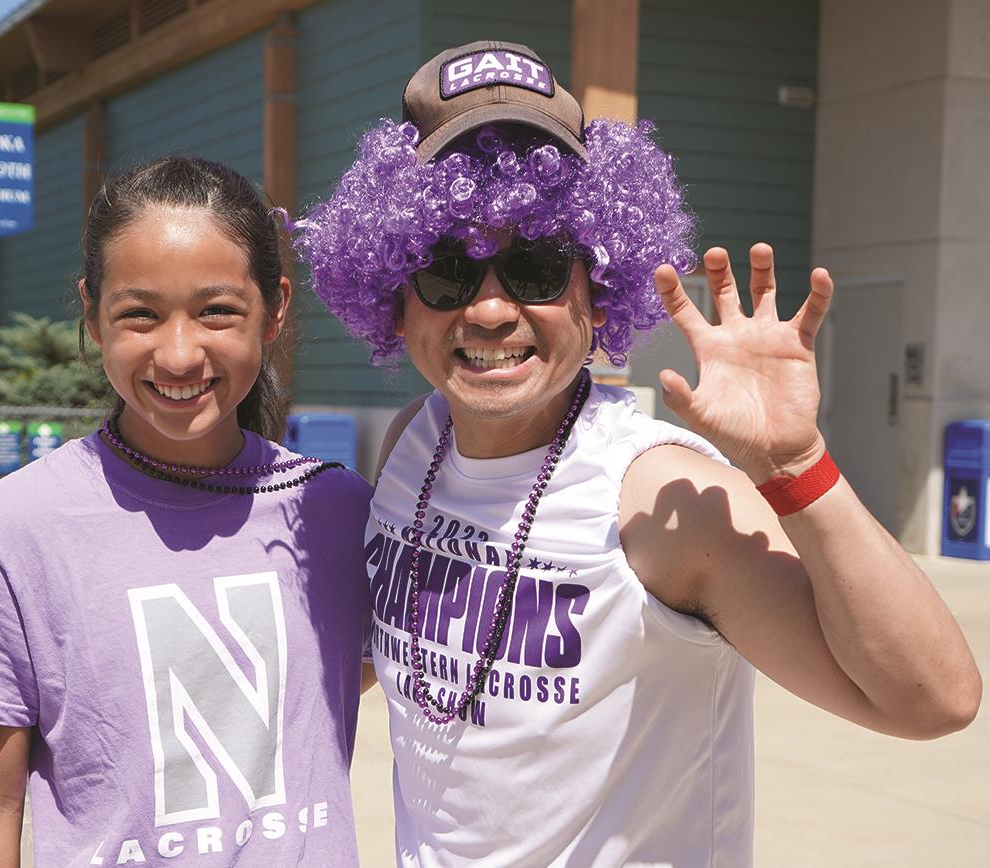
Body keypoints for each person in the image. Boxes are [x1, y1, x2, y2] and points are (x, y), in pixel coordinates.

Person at [296, 41, 982, 867]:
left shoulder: (660, 497)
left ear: (597, 287)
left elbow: (930, 699)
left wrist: (794, 465)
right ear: (393, 297)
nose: (487, 310)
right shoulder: (416, 442)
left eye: (537, 268)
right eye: (446, 271)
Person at [0, 155, 374, 867]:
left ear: (276, 309)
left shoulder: (341, 511)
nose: (177, 353)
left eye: (216, 311)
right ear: (92, 315)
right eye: (140, 313)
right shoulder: (15, 527)